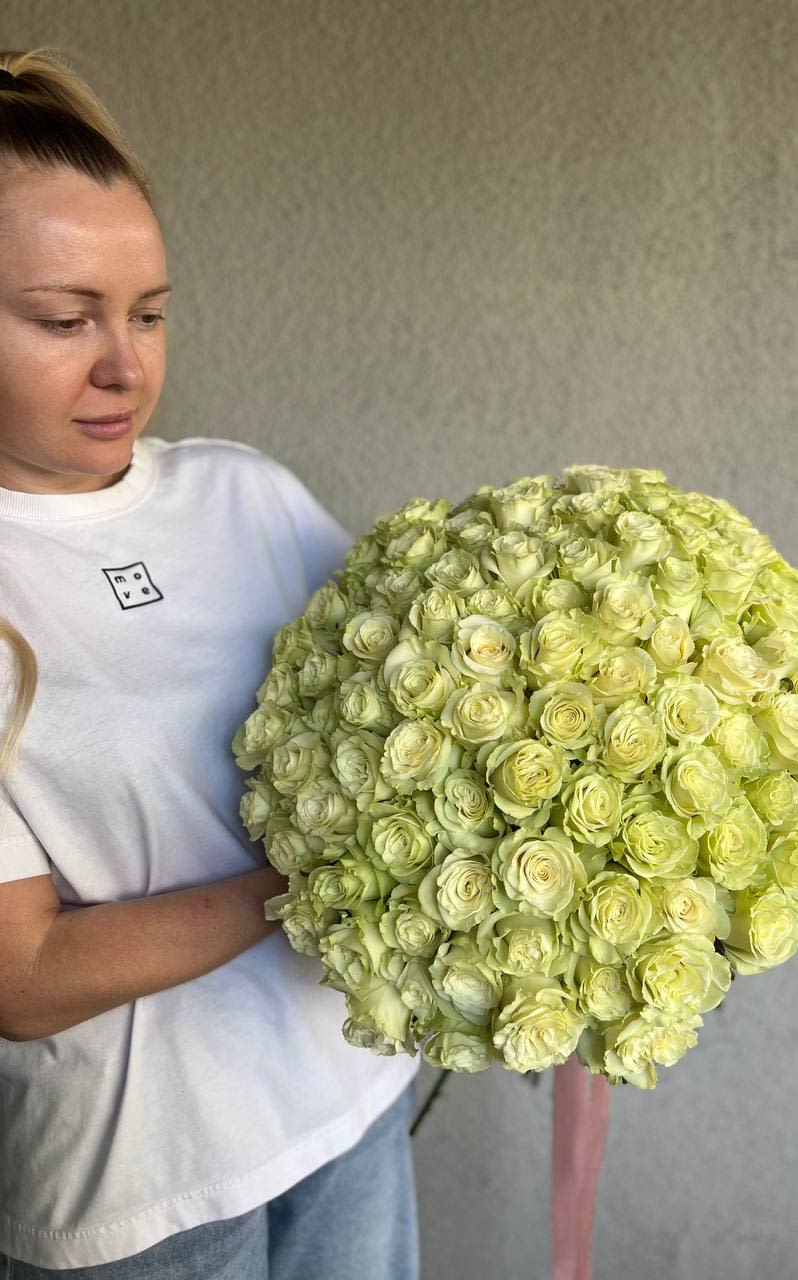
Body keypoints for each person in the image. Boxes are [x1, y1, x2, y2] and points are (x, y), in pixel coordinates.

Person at [0, 48, 420, 1278]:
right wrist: (309, 875)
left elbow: (421, 699)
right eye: (64, 319)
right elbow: (23, 975)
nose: (124, 364)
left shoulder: (249, 495)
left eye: (149, 311)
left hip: (347, 1099)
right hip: (149, 1191)